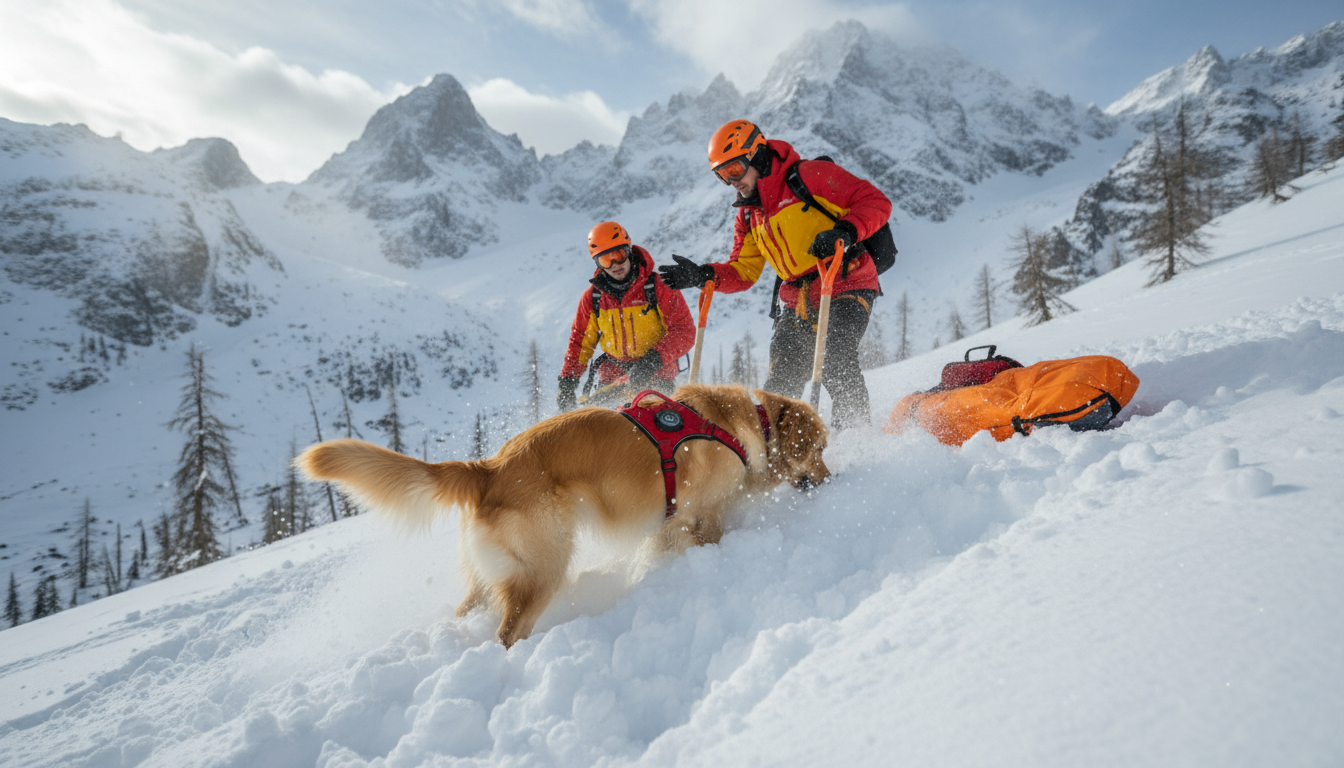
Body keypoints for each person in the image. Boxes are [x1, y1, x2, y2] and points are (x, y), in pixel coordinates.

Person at [658, 119, 892, 429]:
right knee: (782, 376)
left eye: (734, 171)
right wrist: (702, 275)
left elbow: (875, 201)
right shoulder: (749, 215)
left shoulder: (810, 177)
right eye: (722, 176)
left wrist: (845, 231)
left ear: (755, 155)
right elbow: (744, 271)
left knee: (835, 357)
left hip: (846, 281)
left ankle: (857, 440)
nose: (732, 182)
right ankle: (781, 456)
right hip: (797, 300)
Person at [557, 221, 695, 411]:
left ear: (629, 250)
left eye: (619, 255)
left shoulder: (657, 287)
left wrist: (651, 361)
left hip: (657, 374)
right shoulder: (593, 297)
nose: (615, 265)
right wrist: (568, 382)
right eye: (606, 260)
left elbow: (684, 331)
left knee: (654, 430)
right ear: (598, 263)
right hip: (613, 377)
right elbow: (580, 342)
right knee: (607, 433)